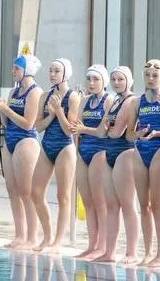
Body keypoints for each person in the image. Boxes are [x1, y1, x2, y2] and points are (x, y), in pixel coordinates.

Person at [0, 54, 44, 250]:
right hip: (10, 139)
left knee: (26, 191)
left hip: (26, 141)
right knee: (12, 189)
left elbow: (28, 123)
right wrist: (1, 109)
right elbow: (7, 122)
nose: (13, 71)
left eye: (17, 68)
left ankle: (32, 237)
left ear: (27, 71)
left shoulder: (35, 92)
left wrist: (5, 109)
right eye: (14, 67)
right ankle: (20, 235)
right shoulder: (14, 92)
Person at [129, 58, 160, 268]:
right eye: (147, 75)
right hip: (140, 150)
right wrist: (138, 134)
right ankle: (147, 253)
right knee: (143, 205)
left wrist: (157, 133)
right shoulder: (136, 102)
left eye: (155, 75)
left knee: (157, 205)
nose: (151, 78)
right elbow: (129, 134)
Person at [33, 58, 81, 251]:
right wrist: (51, 115)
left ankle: (59, 240)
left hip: (65, 147)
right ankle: (47, 236)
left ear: (65, 74)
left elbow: (70, 130)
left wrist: (59, 112)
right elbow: (37, 126)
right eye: (51, 71)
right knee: (36, 192)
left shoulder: (73, 97)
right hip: (47, 145)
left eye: (57, 71)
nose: (52, 74)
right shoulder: (44, 96)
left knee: (63, 196)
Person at [97, 65, 139, 263]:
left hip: (125, 152)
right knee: (111, 205)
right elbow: (101, 131)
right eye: (113, 79)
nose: (116, 83)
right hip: (109, 151)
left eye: (120, 79)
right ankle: (109, 252)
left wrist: (107, 129)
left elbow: (116, 132)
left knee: (128, 204)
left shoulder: (131, 101)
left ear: (129, 81)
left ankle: (131, 252)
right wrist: (105, 129)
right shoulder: (114, 101)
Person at [73, 65, 112, 260]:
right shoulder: (84, 101)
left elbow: (102, 132)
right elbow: (75, 127)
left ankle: (102, 245)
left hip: (100, 151)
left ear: (104, 81)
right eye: (89, 79)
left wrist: (84, 129)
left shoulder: (109, 100)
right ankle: (92, 244)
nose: (91, 83)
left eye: (96, 79)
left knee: (99, 202)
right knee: (88, 202)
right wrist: (83, 133)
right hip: (84, 151)